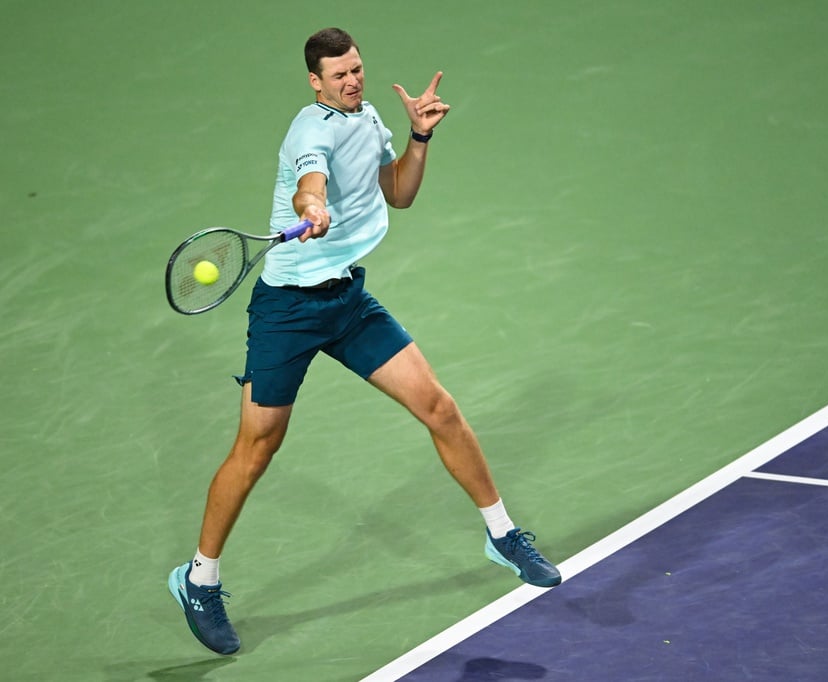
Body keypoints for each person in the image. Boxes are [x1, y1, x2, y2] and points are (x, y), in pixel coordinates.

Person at [167, 27, 561, 656]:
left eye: (357, 69)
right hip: (288, 311)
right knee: (257, 448)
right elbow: (309, 181)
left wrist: (421, 137)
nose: (352, 80)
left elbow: (398, 194)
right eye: (339, 74)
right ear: (315, 82)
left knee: (440, 408)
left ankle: (502, 533)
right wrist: (312, 203)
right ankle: (199, 579)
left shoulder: (369, 116)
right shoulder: (309, 131)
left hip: (347, 300)